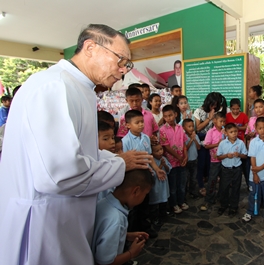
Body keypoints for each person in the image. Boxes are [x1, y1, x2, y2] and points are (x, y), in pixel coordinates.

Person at [0, 24, 155, 265]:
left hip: (65, 218)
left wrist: (115, 159)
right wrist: (119, 164)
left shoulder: (79, 88)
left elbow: (81, 152)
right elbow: (58, 174)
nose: (123, 70)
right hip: (45, 223)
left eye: (128, 64)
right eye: (121, 60)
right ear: (91, 47)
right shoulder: (55, 86)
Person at [92, 169, 153, 265]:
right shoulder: (116, 219)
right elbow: (105, 262)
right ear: (136, 191)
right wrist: (131, 253)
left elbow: (101, 234)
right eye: (145, 194)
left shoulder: (103, 203)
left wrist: (126, 235)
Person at [121, 110, 166, 237]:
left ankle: (145, 227)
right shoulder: (126, 141)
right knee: (133, 208)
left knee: (145, 204)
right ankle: (132, 232)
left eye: (142, 122)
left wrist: (157, 169)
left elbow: (149, 157)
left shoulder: (146, 138)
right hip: (133, 179)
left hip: (146, 176)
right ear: (128, 125)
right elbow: (126, 162)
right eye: (137, 122)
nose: (141, 125)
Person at [241, 117, 264, 227]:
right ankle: (250, 211)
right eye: (260, 128)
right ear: (256, 129)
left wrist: (259, 168)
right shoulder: (253, 142)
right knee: (253, 194)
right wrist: (255, 173)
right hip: (254, 176)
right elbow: (252, 158)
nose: (263, 130)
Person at [193, 92, 227, 197]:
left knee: (210, 163)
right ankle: (201, 185)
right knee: (201, 163)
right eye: (213, 104)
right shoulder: (198, 111)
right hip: (202, 139)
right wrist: (209, 118)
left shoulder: (217, 111)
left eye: (217, 104)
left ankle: (210, 182)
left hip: (214, 140)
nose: (215, 107)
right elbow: (198, 128)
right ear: (208, 102)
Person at [159, 105, 189, 214]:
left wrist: (185, 156)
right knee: (173, 185)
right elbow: (166, 147)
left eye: (170, 115)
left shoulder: (180, 128)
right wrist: (179, 157)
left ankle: (181, 201)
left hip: (182, 161)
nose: (169, 118)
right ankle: (174, 204)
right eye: (166, 116)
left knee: (182, 184)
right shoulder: (162, 130)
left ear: (175, 114)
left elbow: (184, 142)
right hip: (171, 162)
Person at [216, 123, 248, 218]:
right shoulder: (222, 143)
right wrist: (226, 155)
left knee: (235, 188)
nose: (234, 134)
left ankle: (233, 207)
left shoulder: (241, 143)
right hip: (225, 169)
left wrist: (239, 155)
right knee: (224, 188)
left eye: (235, 131)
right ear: (226, 133)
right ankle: (223, 205)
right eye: (231, 132)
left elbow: (245, 156)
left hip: (237, 169)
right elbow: (218, 156)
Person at [200, 112, 226, 211]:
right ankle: (209, 199)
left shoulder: (225, 131)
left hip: (224, 160)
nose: (222, 123)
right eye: (220, 121)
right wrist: (217, 144)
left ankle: (222, 198)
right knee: (212, 180)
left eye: (224, 121)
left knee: (224, 180)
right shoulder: (211, 132)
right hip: (214, 161)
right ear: (215, 121)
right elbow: (206, 145)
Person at [226, 98, 249, 188]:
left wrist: (237, 128)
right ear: (230, 108)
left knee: (244, 163)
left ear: (240, 107)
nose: (235, 111)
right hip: (230, 143)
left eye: (237, 109)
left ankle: (248, 183)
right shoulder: (227, 116)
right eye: (233, 109)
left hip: (241, 142)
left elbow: (246, 127)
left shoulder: (243, 115)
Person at [148, 143, 171, 227]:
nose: (160, 152)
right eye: (157, 151)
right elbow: (153, 174)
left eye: (161, 149)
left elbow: (169, 169)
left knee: (163, 202)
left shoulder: (164, 158)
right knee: (154, 204)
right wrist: (160, 166)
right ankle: (154, 219)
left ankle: (163, 215)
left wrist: (164, 164)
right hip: (156, 187)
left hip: (164, 186)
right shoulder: (151, 162)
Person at [183, 118, 201, 199]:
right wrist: (191, 140)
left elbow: (199, 147)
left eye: (192, 126)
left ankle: (193, 192)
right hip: (187, 161)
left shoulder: (196, 136)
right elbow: (185, 148)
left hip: (194, 160)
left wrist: (195, 139)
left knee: (193, 178)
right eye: (189, 126)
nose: (191, 128)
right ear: (184, 128)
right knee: (186, 178)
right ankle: (184, 194)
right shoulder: (184, 137)